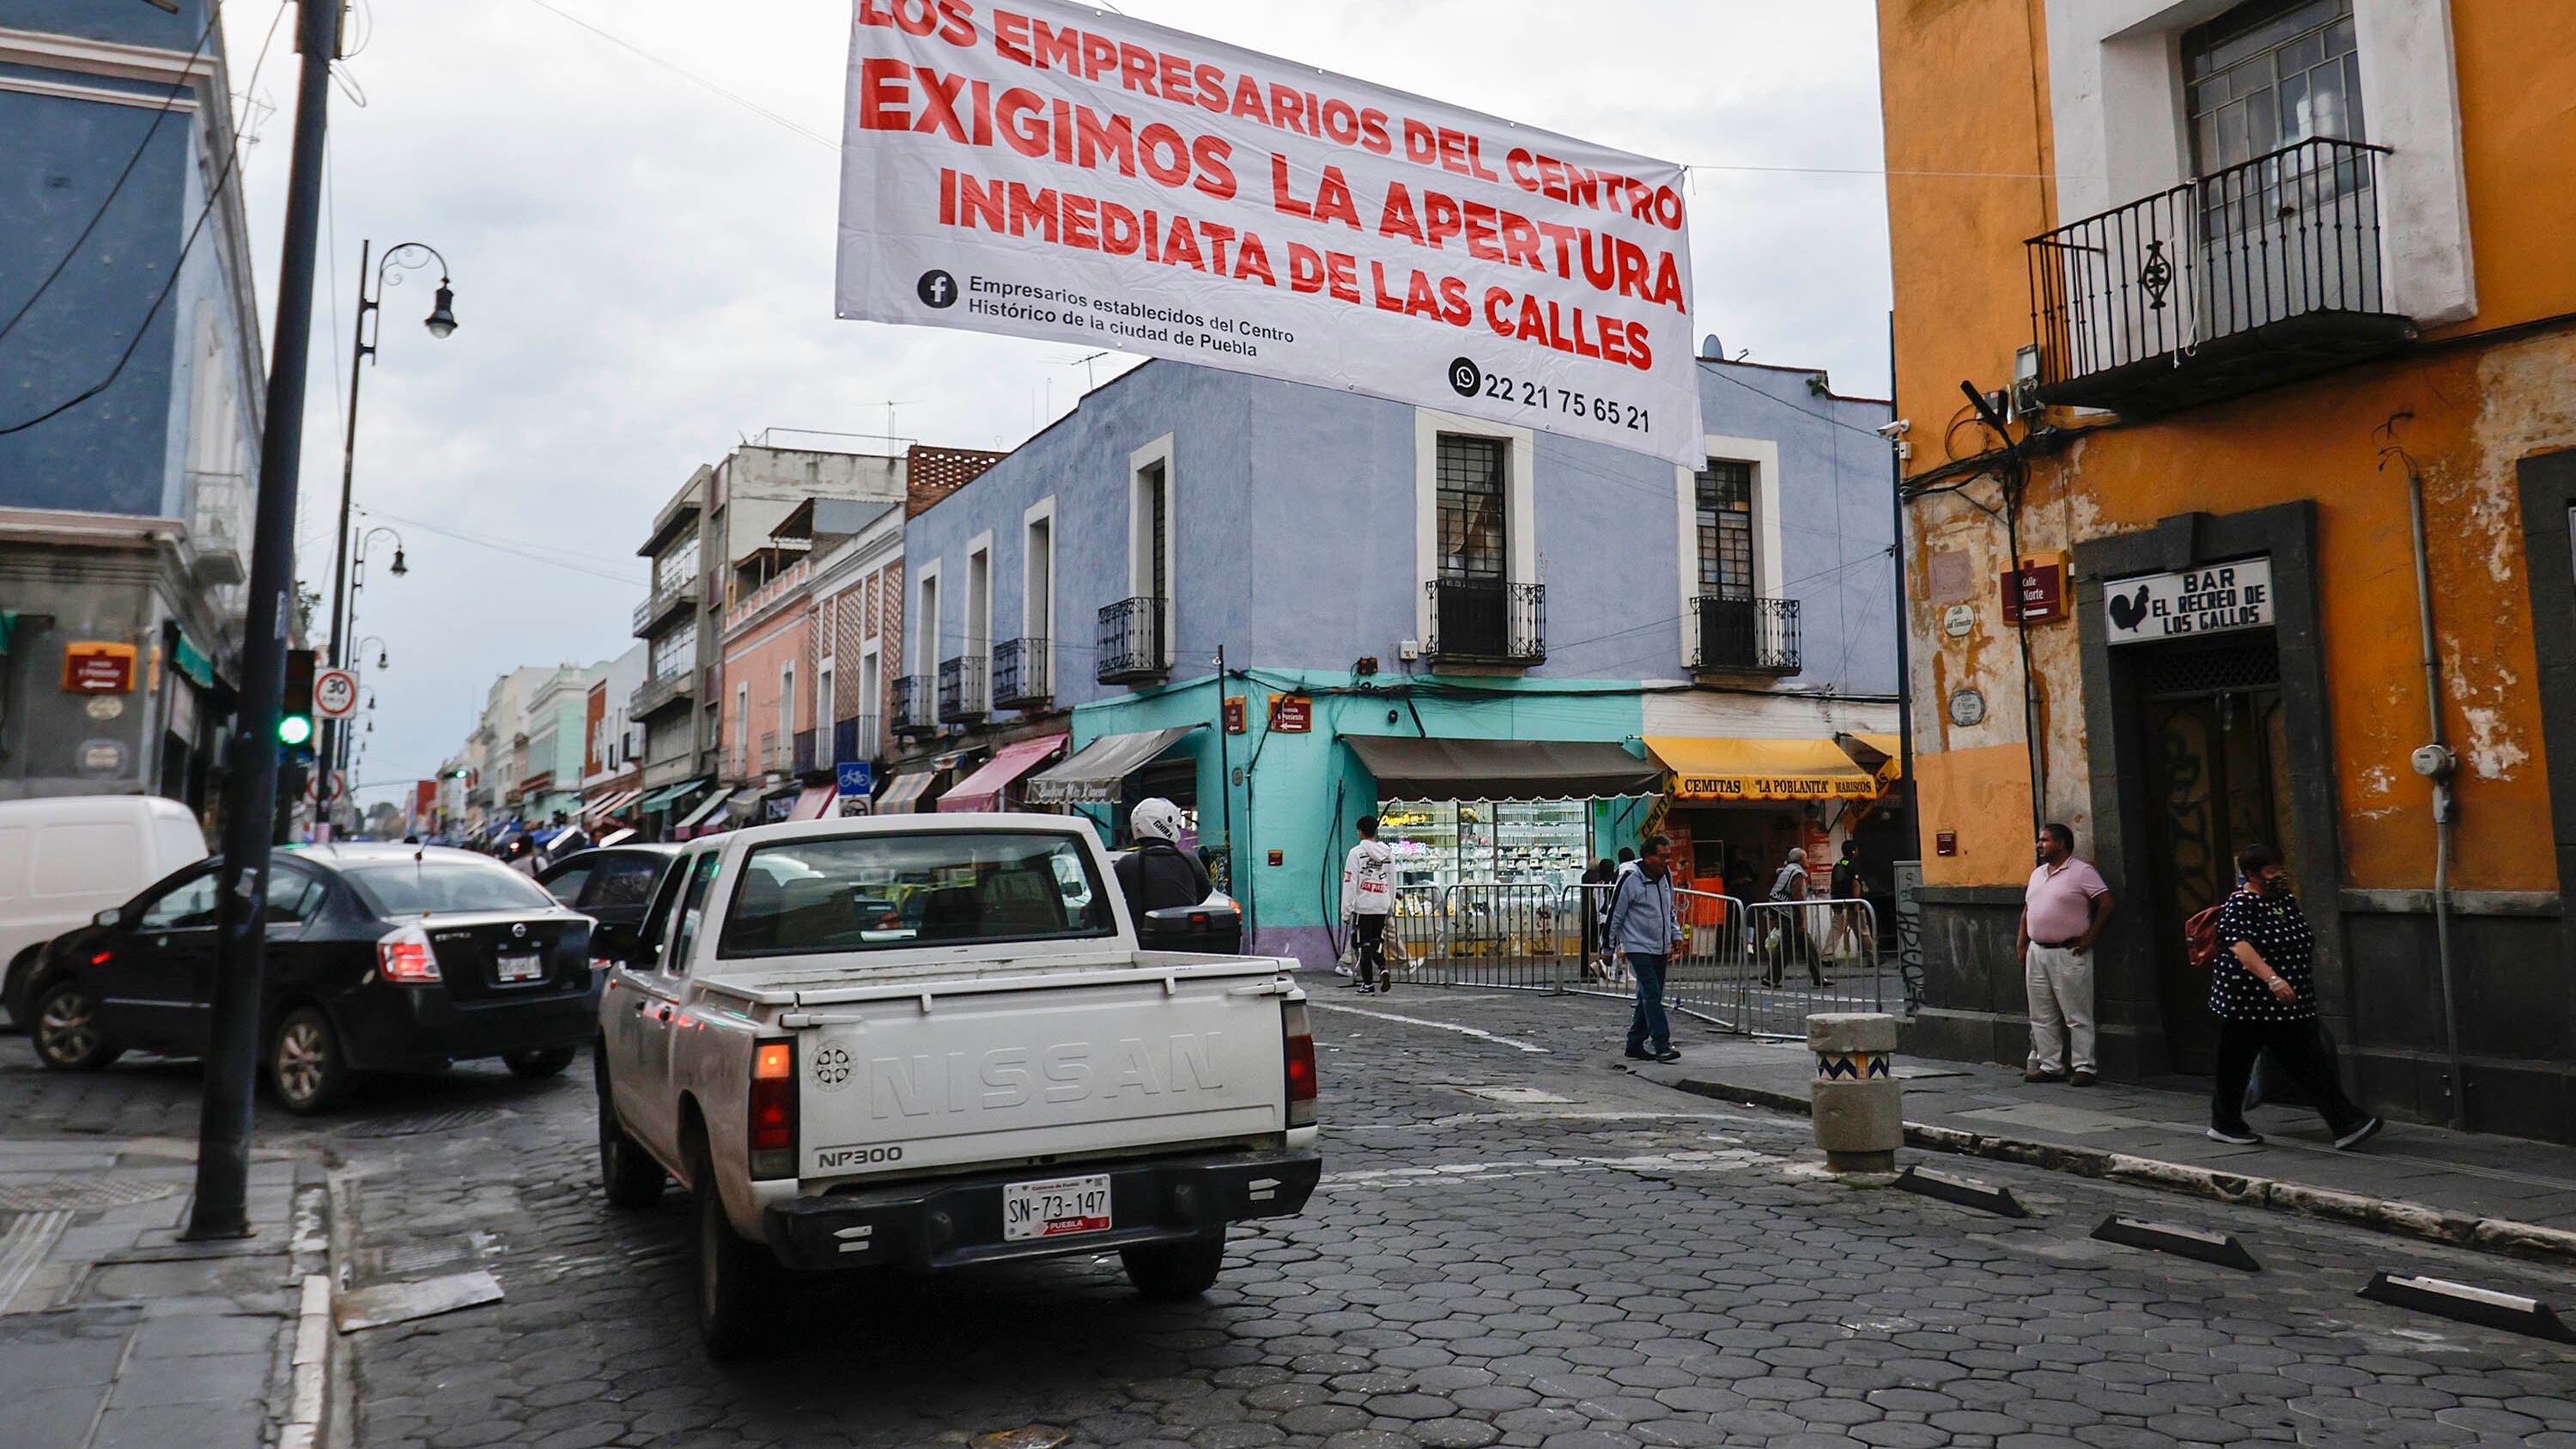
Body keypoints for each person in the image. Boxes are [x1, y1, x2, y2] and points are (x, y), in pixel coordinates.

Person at [2209, 843, 2381, 1148]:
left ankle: (2345, 1122)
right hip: (2250, 1001)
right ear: (2252, 875)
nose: (2279, 875)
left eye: (2280, 868)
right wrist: (2273, 979)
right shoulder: (2241, 904)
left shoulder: (2284, 900)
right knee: (2238, 1064)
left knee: (2307, 1061)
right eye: (2271, 870)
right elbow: (2240, 946)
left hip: (2290, 1002)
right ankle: (2226, 1123)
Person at [2019, 823, 2113, 1086]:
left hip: (2068, 951)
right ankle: (2050, 1065)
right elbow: (2027, 910)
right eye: (2040, 840)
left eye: (2045, 840)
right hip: (2038, 951)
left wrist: (2091, 937)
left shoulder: (2082, 871)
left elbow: (2107, 903)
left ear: (2061, 843)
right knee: (2041, 1013)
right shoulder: (2038, 874)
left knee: (2077, 1013)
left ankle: (2085, 1067)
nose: (2039, 845)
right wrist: (2021, 944)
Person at [1606, 834, 1686, 1062]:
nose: (1666, 861)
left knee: (1649, 994)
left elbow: (1668, 908)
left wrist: (1675, 933)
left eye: (1668, 856)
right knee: (1651, 993)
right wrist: (1607, 947)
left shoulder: (1665, 876)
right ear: (1648, 857)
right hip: (1637, 944)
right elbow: (1615, 914)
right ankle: (1661, 1044)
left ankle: (1634, 1042)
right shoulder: (1630, 879)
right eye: (1662, 857)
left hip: (1659, 944)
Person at [1114, 797, 1210, 928]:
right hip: (1184, 933)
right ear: (1167, 823)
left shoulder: (1127, 864)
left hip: (1141, 936)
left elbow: (1107, 900)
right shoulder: (1189, 859)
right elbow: (1204, 892)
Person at [1340, 816, 1396, 994]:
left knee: (1362, 944)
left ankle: (1368, 984)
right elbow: (1392, 880)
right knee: (1376, 941)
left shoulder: (1356, 853)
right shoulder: (1388, 854)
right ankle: (1383, 968)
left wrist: (1346, 911)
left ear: (1361, 832)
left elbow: (1350, 882)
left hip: (1363, 906)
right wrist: (1389, 904)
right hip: (1382, 904)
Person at [1761, 847, 1819, 987]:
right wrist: (1802, 920)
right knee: (1786, 947)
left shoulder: (1787, 869)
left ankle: (1818, 977)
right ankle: (1770, 979)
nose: (1807, 861)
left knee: (1805, 945)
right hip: (1788, 912)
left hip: (1779, 909)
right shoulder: (1797, 873)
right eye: (1805, 858)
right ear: (1800, 860)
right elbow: (1797, 896)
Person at [1578, 857, 1614, 981]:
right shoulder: (1600, 880)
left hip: (1586, 914)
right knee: (1602, 942)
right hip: (1597, 916)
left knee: (1585, 943)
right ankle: (1602, 967)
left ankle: (1584, 970)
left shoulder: (1585, 877)